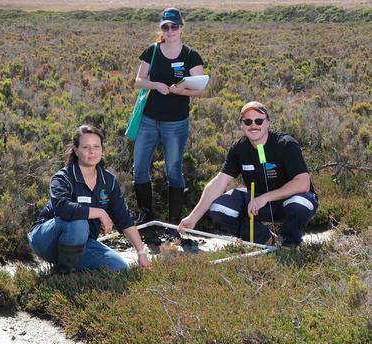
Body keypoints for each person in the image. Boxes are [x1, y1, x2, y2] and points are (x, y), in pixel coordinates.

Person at [178, 101, 319, 248]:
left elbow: (303, 183)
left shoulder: (285, 144)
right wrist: (193, 217)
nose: (253, 125)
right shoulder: (239, 149)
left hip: (290, 201)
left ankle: (289, 246)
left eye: (259, 121)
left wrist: (266, 197)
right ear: (241, 125)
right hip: (257, 203)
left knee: (300, 204)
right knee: (219, 208)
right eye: (248, 121)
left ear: (267, 123)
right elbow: (218, 183)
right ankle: (265, 240)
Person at [27, 125, 150, 274]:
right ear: (76, 150)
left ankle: (71, 265)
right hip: (46, 241)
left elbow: (124, 219)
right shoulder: (63, 177)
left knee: (120, 268)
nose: (92, 152)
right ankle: (63, 274)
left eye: (96, 146)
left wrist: (141, 252)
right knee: (79, 223)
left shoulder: (108, 181)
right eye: (86, 147)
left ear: (102, 149)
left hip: (81, 244)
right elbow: (63, 208)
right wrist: (100, 212)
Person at [133, 7, 206, 238]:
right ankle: (147, 217)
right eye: (166, 26)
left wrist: (179, 90)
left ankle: (175, 223)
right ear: (161, 28)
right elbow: (138, 80)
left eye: (174, 26)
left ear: (181, 27)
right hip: (148, 120)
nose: (170, 30)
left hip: (176, 123)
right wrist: (156, 85)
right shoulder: (152, 51)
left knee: (173, 171)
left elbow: (200, 88)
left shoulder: (191, 55)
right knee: (140, 170)